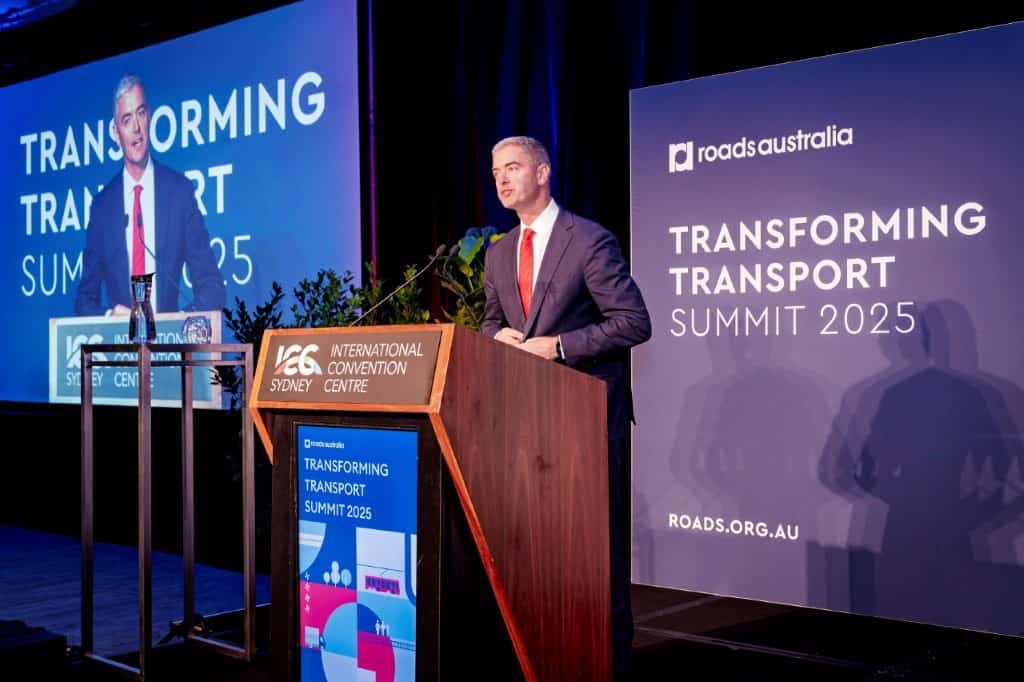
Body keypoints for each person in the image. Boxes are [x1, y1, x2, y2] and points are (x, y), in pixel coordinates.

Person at [481, 135, 652, 679]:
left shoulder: (588, 240)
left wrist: (558, 346)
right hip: (526, 424)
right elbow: (489, 322)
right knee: (541, 557)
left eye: (512, 167)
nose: (502, 179)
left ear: (543, 172)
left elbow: (633, 322)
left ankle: (611, 665)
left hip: (587, 422)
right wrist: (497, 337)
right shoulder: (499, 252)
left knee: (598, 558)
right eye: (495, 171)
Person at [75, 74, 225, 316]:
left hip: (170, 339)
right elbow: (84, 300)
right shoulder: (102, 207)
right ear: (116, 132)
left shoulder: (179, 192)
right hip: (121, 339)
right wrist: (110, 317)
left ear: (150, 117)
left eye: (141, 113)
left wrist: (179, 323)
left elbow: (212, 286)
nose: (136, 128)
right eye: (126, 120)